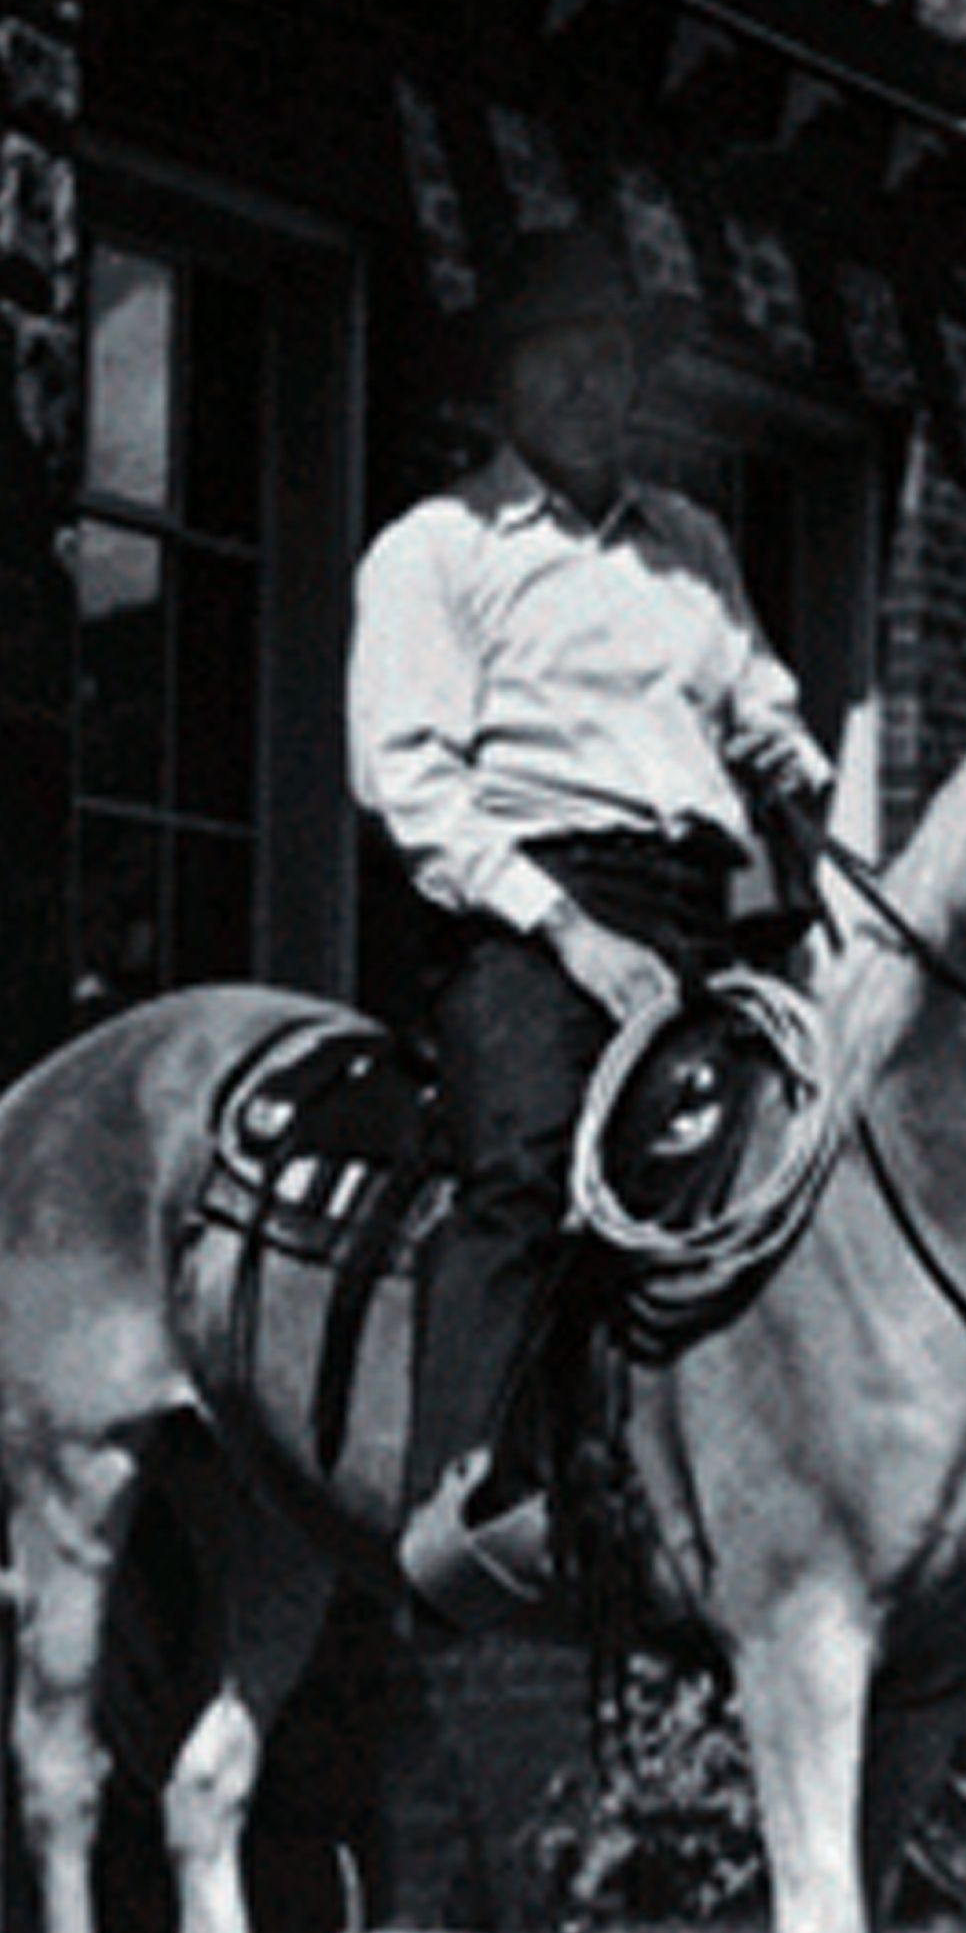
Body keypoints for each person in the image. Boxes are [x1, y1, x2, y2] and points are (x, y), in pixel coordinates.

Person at [347, 225, 834, 1624]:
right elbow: (409, 784)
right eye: (560, 358)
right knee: (528, 1161)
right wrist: (568, 933)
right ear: (507, 379)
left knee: (805, 1157)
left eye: (612, 360)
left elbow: (756, 695)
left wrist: (792, 761)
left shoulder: (690, 547)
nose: (590, 386)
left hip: (704, 900)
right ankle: (461, 1496)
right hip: (533, 909)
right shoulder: (439, 549)